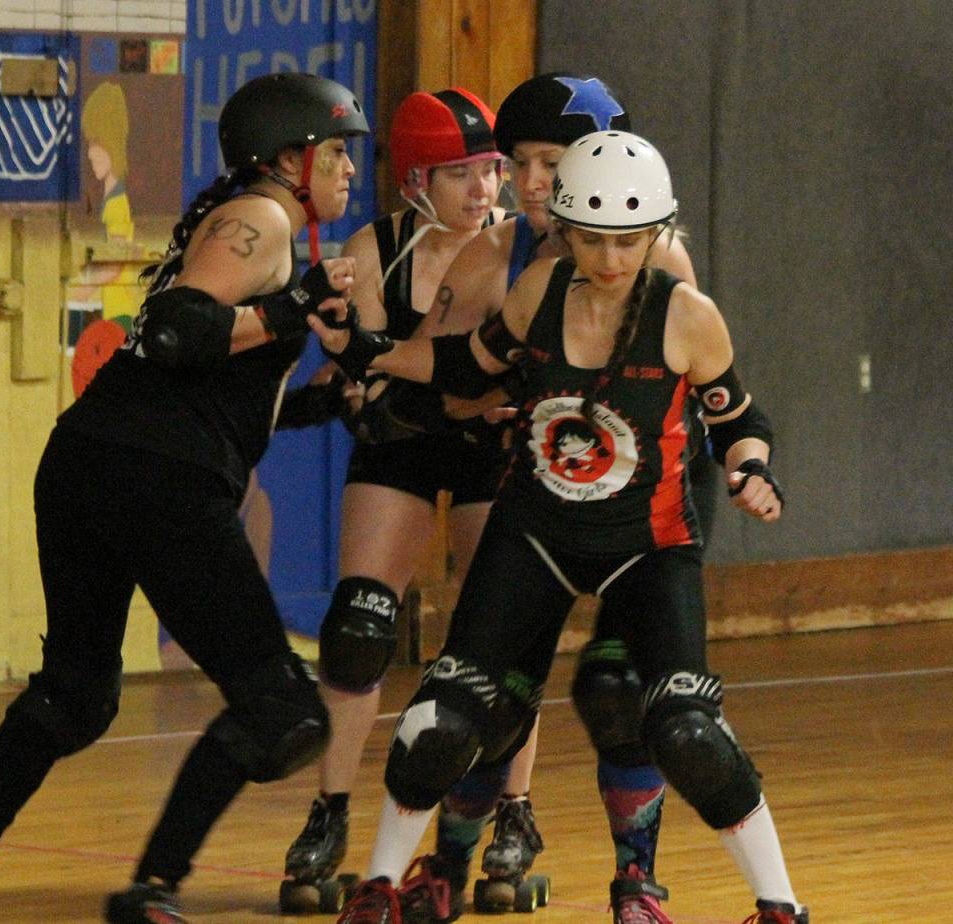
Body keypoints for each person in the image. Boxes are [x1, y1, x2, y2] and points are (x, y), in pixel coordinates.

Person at [310, 130, 806, 924]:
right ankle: (383, 885)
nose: (612, 259)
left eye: (631, 241)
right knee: (443, 721)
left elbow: (739, 419)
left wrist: (753, 470)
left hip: (647, 546)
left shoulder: (687, 315)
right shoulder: (538, 288)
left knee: (687, 732)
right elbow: (467, 365)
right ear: (566, 230)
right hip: (535, 534)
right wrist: (365, 349)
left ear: (658, 232)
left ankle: (779, 905)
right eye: (594, 239)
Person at [0, 72, 370, 924]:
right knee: (281, 712)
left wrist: (328, 401)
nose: (349, 169)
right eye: (337, 152)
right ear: (289, 158)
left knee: (75, 694)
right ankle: (153, 888)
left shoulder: (251, 221)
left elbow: (208, 387)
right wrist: (294, 309)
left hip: (91, 461)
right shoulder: (264, 218)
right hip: (159, 478)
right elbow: (175, 332)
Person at [405, 73, 701, 922]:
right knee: (487, 691)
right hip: (541, 496)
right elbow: (446, 374)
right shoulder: (497, 254)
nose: (529, 183)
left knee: (618, 690)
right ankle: (450, 861)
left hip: (644, 502)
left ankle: (637, 881)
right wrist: (372, 361)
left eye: (549, 162)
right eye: (518, 163)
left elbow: (697, 396)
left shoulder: (658, 257)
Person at [278, 86, 508, 915]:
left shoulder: (517, 248)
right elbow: (368, 375)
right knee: (358, 629)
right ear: (416, 180)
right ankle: (329, 813)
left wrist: (380, 378)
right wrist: (341, 377)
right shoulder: (376, 250)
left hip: (489, 446)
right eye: (460, 174)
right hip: (410, 442)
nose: (483, 189)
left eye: (490, 170)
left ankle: (512, 812)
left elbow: (395, 371)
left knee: (501, 632)